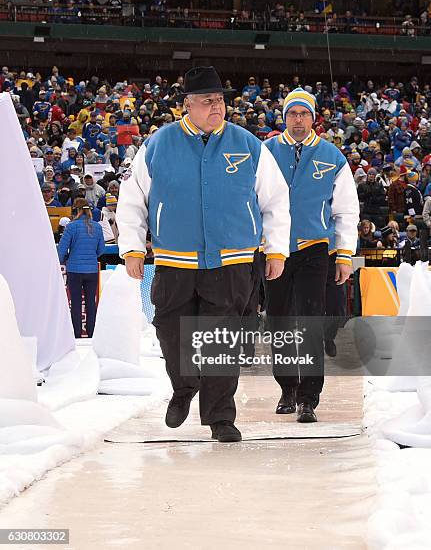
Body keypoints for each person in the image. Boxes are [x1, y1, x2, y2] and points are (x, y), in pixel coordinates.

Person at [116, 66, 291, 443]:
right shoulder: (158, 145)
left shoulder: (248, 145)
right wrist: (131, 246)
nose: (217, 107)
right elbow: (131, 201)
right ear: (188, 105)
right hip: (174, 260)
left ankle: (220, 418)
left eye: (221, 100)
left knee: (221, 340)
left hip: (232, 261)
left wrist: (276, 249)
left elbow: (276, 201)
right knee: (170, 331)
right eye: (208, 100)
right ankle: (184, 386)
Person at [265, 87, 359, 423]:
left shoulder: (332, 156)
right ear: (284, 117)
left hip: (314, 250)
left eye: (304, 113)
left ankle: (308, 397)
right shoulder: (266, 152)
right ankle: (287, 387)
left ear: (314, 116)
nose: (298, 119)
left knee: (309, 321)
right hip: (274, 249)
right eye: (292, 113)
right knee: (277, 321)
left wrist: (345, 255)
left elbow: (347, 211)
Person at [57, 198, 105, 338]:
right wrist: (91, 256)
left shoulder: (71, 227)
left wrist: (65, 259)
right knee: (91, 302)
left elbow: (61, 250)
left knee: (76, 303)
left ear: (76, 210)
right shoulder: (97, 227)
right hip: (91, 270)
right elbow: (101, 249)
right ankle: (92, 334)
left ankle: (76, 334)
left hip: (74, 270)